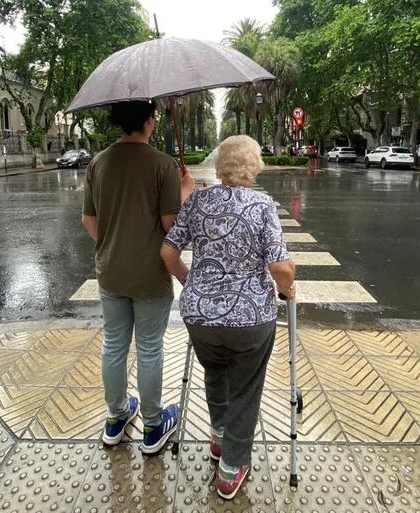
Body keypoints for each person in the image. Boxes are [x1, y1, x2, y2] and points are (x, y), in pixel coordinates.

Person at [160, 135, 296, 500]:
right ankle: (231, 467)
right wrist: (287, 287)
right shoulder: (263, 205)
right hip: (250, 318)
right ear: (254, 165)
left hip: (199, 315)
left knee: (215, 371)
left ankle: (219, 435)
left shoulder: (199, 201)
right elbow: (280, 266)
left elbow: (167, 252)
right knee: (246, 388)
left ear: (220, 165)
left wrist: (190, 282)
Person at [81, 100, 195, 455]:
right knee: (149, 348)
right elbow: (169, 226)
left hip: (110, 272)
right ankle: (152, 425)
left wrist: (113, 246)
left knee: (114, 344)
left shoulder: (98, 163)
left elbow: (88, 220)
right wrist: (186, 191)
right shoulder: (162, 164)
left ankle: (115, 418)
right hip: (150, 275)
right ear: (149, 121)